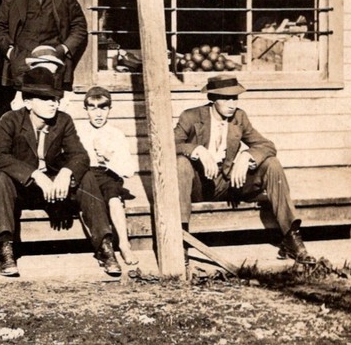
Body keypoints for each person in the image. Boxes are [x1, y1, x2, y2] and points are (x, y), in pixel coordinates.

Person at [0, 67, 121, 278]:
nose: (53, 103)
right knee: (0, 178)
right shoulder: (10, 120)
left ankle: (105, 246)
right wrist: (35, 175)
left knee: (86, 176)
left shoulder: (63, 120)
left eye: (56, 98)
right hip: (25, 189)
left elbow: (80, 156)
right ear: (28, 102)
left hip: (55, 190)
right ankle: (5, 247)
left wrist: (66, 172)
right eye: (45, 98)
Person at [174, 74, 316, 265]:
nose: (232, 103)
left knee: (271, 163)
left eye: (235, 98)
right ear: (213, 98)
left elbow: (266, 146)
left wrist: (246, 156)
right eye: (226, 98)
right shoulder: (190, 117)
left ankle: (291, 236)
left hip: (228, 183)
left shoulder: (239, 117)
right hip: (199, 185)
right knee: (181, 163)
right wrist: (197, 150)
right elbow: (170, 144)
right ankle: (181, 239)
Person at [76, 86, 139, 265]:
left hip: (107, 175)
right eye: (92, 108)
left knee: (113, 198)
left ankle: (125, 246)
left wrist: (109, 157)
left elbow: (129, 170)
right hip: (86, 175)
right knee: (87, 197)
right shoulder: (78, 132)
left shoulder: (116, 134)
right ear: (86, 109)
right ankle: (104, 248)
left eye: (103, 108)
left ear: (110, 109)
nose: (98, 114)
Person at [8, 44, 70, 111]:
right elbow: (17, 106)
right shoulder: (27, 81)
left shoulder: (56, 81)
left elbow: (63, 105)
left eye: (54, 64)